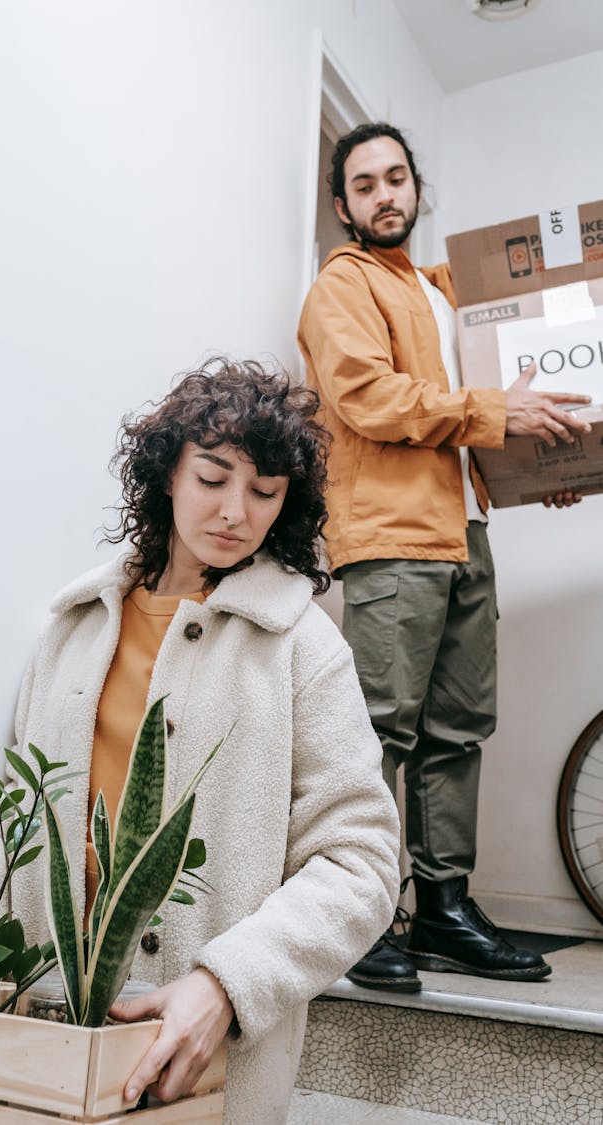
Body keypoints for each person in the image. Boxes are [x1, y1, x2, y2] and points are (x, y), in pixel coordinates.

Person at [0, 358, 400, 1124]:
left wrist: (226, 984)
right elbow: (18, 816)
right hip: (39, 1036)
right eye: (212, 477)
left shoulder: (304, 646)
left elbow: (363, 865)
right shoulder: (74, 628)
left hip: (199, 1065)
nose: (235, 511)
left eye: (264, 492)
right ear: (166, 471)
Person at [297, 123, 592, 994]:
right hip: (389, 537)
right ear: (344, 205)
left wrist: (542, 459)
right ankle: (349, 914)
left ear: (416, 188)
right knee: (379, 731)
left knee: (458, 730)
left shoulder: (441, 291)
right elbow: (372, 399)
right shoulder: (339, 286)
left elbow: (484, 400)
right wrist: (500, 414)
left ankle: (443, 909)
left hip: (464, 532)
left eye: (397, 177)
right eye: (365, 184)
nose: (385, 194)